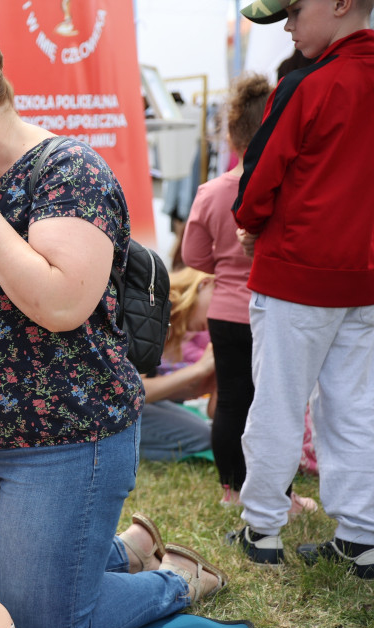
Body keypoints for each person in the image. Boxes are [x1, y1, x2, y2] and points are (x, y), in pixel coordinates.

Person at [0, 20, 228, 628]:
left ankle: (176, 579)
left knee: (40, 626)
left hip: (64, 436)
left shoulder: (70, 172)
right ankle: (120, 552)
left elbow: (60, 305)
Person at [228, 0, 374, 579]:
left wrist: (249, 222)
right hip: (364, 279)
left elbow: (260, 174)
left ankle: (262, 528)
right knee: (357, 407)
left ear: (339, 3)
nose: (287, 25)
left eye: (293, 10)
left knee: (279, 405)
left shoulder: (308, 84)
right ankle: (362, 537)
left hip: (295, 272)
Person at [182, 72, 318, 516]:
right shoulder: (285, 192)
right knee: (273, 408)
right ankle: (276, 496)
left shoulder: (211, 192)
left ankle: (231, 490)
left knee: (230, 401)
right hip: (272, 308)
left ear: (233, 134)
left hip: (224, 312)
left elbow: (194, 256)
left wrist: (225, 261)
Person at [138, 268, 216, 462]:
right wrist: (198, 370)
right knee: (202, 437)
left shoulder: (167, 317)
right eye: (218, 304)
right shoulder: (151, 307)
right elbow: (133, 391)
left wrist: (192, 389)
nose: (218, 315)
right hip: (97, 406)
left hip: (117, 402)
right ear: (204, 283)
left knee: (205, 432)